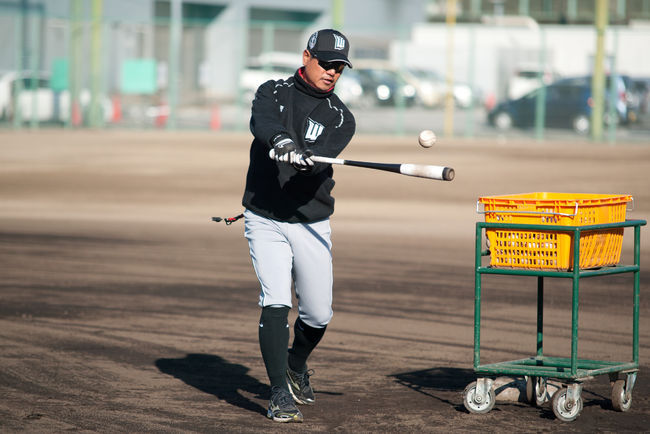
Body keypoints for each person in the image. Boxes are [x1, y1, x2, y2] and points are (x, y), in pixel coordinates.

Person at [241, 29, 355, 423]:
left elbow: (321, 157)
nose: (332, 72)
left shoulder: (341, 117)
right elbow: (263, 123)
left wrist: (309, 159)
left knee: (319, 314)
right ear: (307, 57)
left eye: (339, 67)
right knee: (276, 300)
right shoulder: (272, 91)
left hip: (311, 220)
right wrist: (282, 142)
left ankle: (295, 364)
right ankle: (278, 394)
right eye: (326, 63)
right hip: (264, 216)